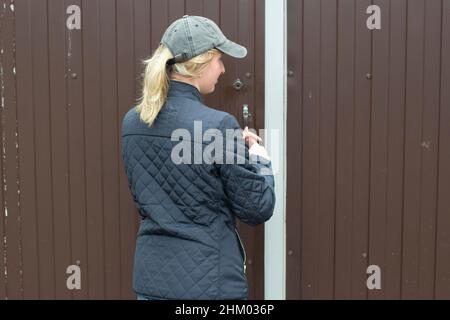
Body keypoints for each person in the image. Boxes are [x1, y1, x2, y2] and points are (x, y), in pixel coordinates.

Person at [121, 15, 275, 300]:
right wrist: (258, 158)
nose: (223, 69)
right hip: (208, 287)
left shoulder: (132, 123)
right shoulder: (218, 126)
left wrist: (227, 147)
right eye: (219, 60)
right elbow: (257, 208)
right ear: (200, 65)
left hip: (151, 283)